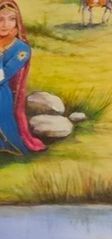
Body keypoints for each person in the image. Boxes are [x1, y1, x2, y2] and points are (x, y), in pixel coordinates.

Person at [0, 0, 44, 158]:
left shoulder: (22, 49)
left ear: (17, 21)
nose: (5, 24)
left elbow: (3, 75)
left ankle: (9, 145)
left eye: (11, 19)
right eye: (0, 19)